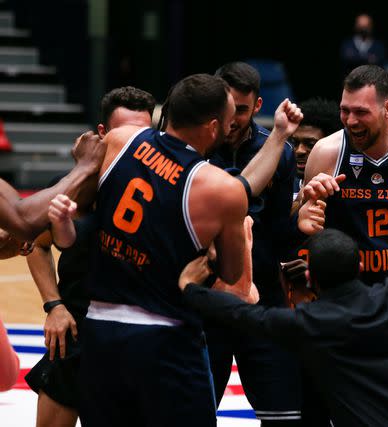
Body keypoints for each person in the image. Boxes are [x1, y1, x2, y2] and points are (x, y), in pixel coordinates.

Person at [77, 73, 299, 427]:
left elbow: (78, 209)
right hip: (164, 334)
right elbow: (231, 273)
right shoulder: (218, 188)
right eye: (228, 122)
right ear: (213, 127)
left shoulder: (119, 141)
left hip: (98, 326)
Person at [178, 228, 388, 427]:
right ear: (359, 267)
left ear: (310, 278)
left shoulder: (308, 323)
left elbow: (242, 314)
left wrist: (190, 288)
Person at [24, 86, 156, 427]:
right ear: (101, 134)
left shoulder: (164, 189)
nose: (133, 144)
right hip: (75, 327)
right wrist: (54, 306)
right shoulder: (71, 186)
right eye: (122, 134)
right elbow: (36, 244)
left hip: (135, 332)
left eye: (142, 135)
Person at [204, 61, 304, 425]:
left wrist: (300, 226)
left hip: (262, 299)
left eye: (241, 110)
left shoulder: (282, 152)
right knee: (190, 412)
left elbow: (278, 232)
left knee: (283, 414)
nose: (231, 119)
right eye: (226, 108)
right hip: (204, 301)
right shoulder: (193, 147)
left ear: (258, 106)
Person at [299, 64, 388, 285]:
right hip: (345, 292)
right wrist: (303, 209)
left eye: (361, 112)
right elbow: (303, 217)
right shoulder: (326, 151)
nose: (350, 121)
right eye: (345, 110)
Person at [291, 97, 341, 200]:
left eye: (310, 144)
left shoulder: (343, 186)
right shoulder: (281, 182)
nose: (299, 150)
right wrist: (302, 199)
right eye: (295, 143)